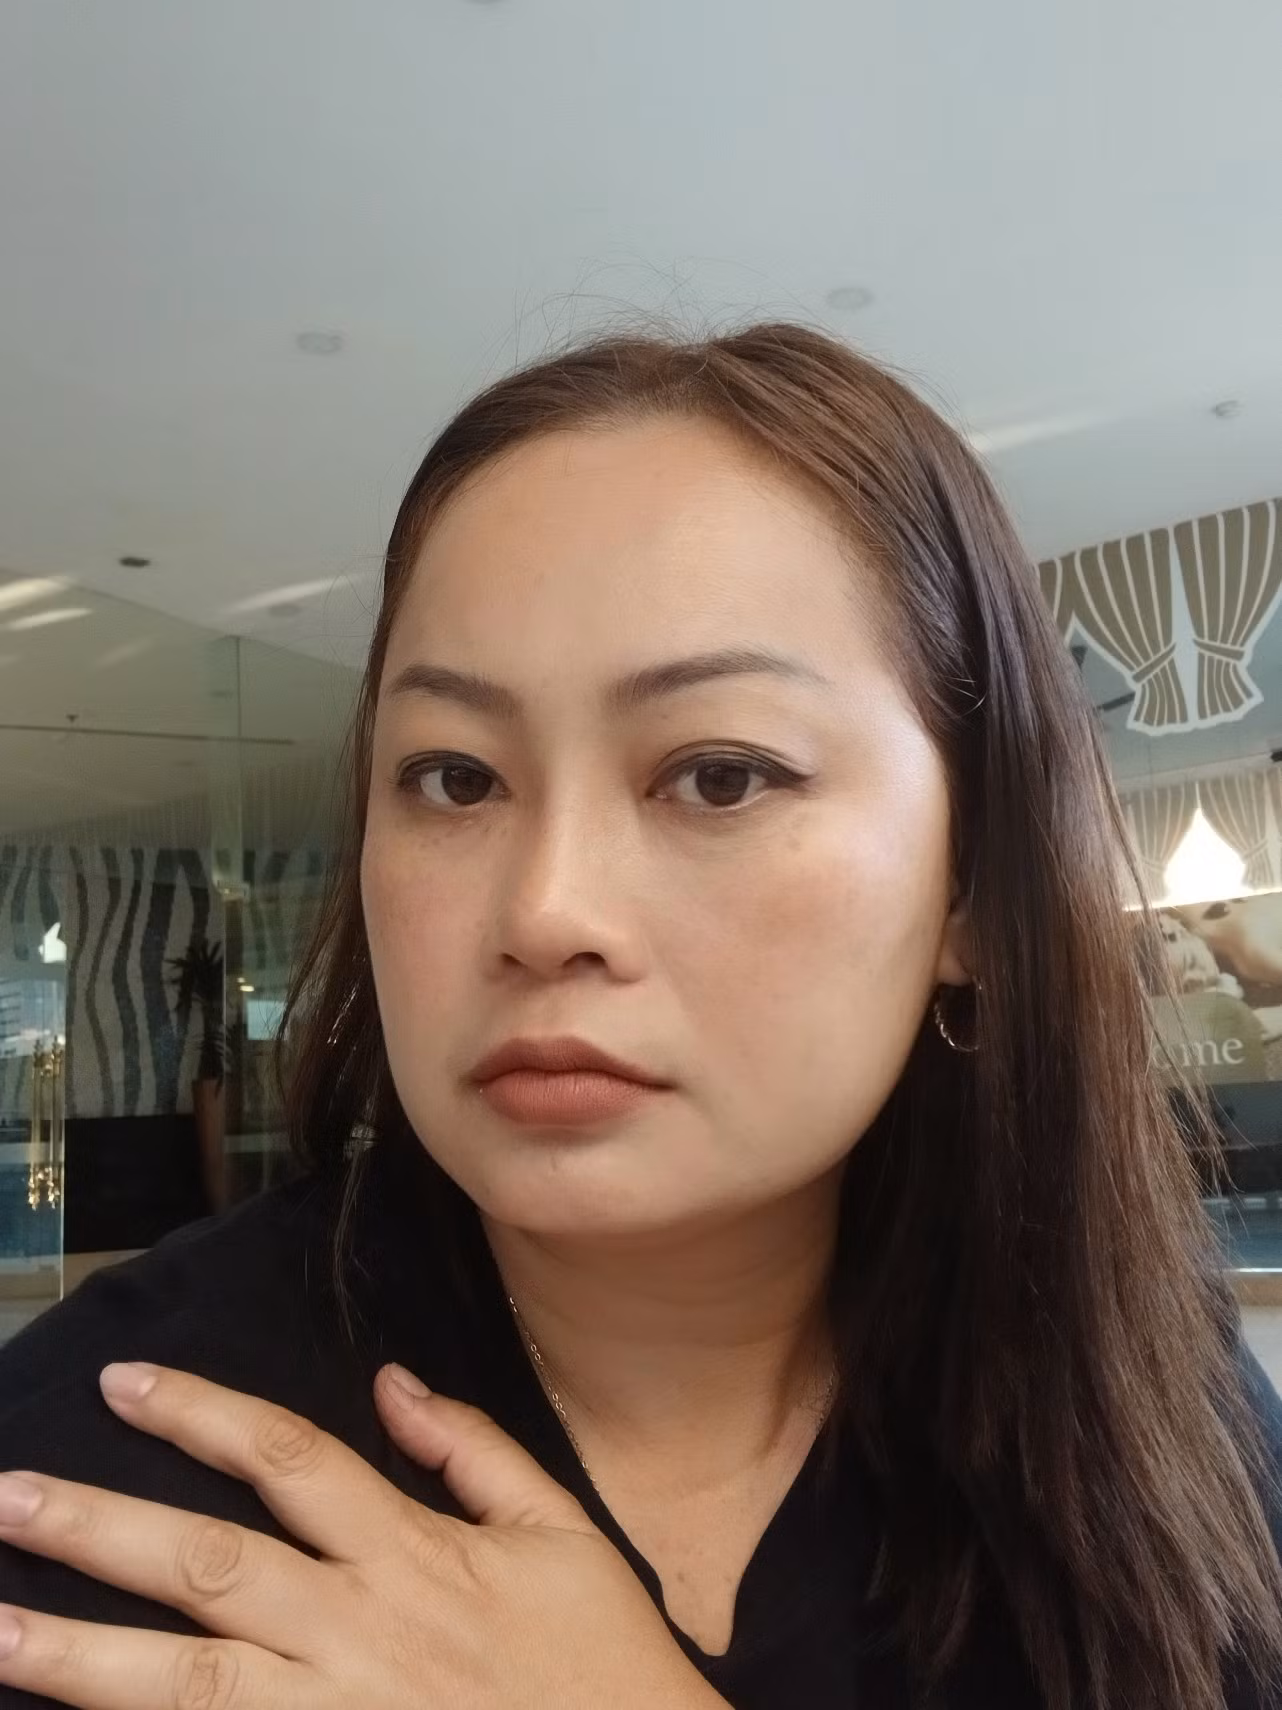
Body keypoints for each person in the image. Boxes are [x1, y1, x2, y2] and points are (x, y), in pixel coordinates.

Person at [0, 321, 1279, 1710]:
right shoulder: (98, 1456)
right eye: (453, 778)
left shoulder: (1144, 1392)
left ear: (967, 885)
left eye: (720, 775)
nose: (545, 910)